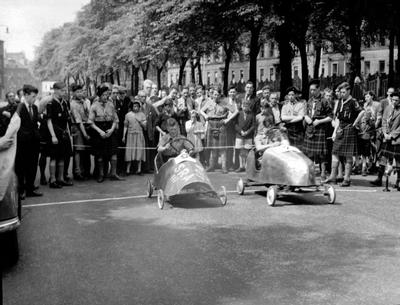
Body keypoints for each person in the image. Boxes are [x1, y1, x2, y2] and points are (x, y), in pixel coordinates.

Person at [324, 82, 360, 186]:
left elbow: (362, 112)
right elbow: (338, 118)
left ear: (349, 91)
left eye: (344, 92)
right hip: (340, 129)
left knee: (348, 156)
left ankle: (347, 178)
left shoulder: (353, 101)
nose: (342, 94)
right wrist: (335, 132)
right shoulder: (340, 101)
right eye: (341, 92)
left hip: (349, 129)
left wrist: (355, 123)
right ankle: (332, 177)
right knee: (334, 152)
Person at [88, 85, 123, 183]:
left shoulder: (111, 105)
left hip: (109, 130)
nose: (105, 97)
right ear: (99, 95)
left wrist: (111, 130)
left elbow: (116, 120)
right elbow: (90, 122)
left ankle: (113, 173)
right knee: (100, 155)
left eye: (107, 95)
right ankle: (101, 174)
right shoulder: (94, 106)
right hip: (99, 131)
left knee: (114, 153)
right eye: (103, 95)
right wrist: (100, 132)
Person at [15, 84, 42, 198]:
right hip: (23, 143)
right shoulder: (19, 107)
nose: (34, 99)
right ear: (25, 95)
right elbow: (16, 126)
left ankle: (30, 189)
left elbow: (35, 124)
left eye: (35, 97)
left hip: (34, 143)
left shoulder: (35, 108)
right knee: (21, 167)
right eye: (32, 96)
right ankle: (21, 190)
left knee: (32, 166)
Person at [303, 80, 333, 180]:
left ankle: (323, 174)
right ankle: (310, 173)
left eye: (314, 90)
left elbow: (331, 117)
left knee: (322, 154)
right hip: (310, 129)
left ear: (318, 89)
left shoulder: (324, 101)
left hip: (320, 129)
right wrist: (306, 117)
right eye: (310, 90)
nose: (312, 92)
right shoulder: (309, 101)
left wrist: (319, 121)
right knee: (309, 153)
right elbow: (306, 112)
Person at [46, 82, 73, 188]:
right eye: (62, 90)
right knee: (53, 157)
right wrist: (53, 136)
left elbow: (67, 120)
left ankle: (60, 179)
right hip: (55, 132)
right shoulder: (50, 103)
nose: (64, 92)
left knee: (62, 157)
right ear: (56, 90)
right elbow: (49, 121)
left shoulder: (65, 102)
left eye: (65, 90)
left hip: (64, 133)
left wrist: (68, 132)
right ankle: (52, 180)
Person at [371, 91, 400, 189]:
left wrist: (391, 135)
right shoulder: (388, 108)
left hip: (397, 139)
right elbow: (383, 121)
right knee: (383, 158)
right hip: (386, 137)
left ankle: (398, 182)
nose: (394, 102)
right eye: (393, 100)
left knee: (398, 160)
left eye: (396, 100)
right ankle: (379, 179)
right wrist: (384, 133)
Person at [200, 88, 230, 173]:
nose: (216, 96)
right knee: (212, 148)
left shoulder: (224, 103)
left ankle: (224, 167)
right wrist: (205, 115)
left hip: (221, 124)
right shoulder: (209, 102)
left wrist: (228, 119)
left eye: (218, 94)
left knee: (222, 148)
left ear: (220, 95)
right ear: (212, 95)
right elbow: (201, 110)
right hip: (211, 124)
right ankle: (211, 166)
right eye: (215, 94)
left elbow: (234, 111)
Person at [70, 84, 91, 180]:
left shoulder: (82, 102)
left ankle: (84, 171)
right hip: (78, 128)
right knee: (78, 150)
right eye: (78, 92)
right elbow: (78, 121)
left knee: (84, 151)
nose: (80, 93)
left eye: (81, 91)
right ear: (73, 93)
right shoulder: (73, 104)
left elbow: (88, 114)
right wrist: (85, 134)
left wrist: (85, 104)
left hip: (84, 126)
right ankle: (77, 172)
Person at [123, 99, 147, 175]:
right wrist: (123, 136)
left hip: (139, 134)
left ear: (139, 107)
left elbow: (145, 126)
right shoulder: (128, 115)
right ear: (132, 107)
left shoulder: (142, 115)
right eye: (134, 106)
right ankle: (128, 170)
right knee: (129, 151)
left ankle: (139, 169)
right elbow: (125, 126)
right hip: (130, 135)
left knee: (139, 151)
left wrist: (140, 122)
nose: (135, 108)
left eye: (137, 106)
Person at [234, 100, 255, 172]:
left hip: (248, 136)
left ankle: (246, 166)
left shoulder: (252, 115)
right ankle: (241, 166)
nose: (245, 108)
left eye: (247, 106)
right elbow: (235, 124)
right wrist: (241, 131)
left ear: (249, 107)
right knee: (240, 151)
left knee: (247, 151)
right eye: (244, 106)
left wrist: (247, 132)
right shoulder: (239, 114)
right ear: (242, 106)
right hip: (239, 135)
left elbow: (253, 125)